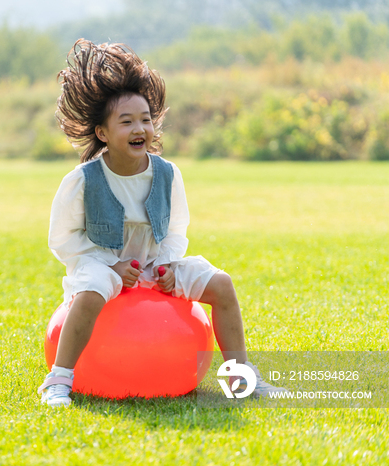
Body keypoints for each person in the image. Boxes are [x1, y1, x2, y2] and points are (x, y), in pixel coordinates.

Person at [38, 40, 286, 407]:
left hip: (155, 265)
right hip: (102, 265)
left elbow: (175, 230)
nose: (140, 128)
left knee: (221, 284)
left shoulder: (168, 174)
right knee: (90, 294)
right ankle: (59, 379)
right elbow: (62, 238)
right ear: (103, 133)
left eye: (145, 119)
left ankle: (240, 373)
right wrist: (111, 266)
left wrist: (167, 265)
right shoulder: (82, 180)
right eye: (126, 122)